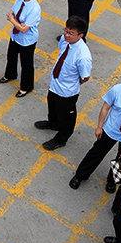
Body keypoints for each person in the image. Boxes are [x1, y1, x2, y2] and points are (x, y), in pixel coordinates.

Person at [70, 65, 121, 191]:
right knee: (96, 153)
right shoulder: (117, 90)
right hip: (112, 129)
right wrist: (99, 127)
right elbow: (105, 108)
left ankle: (112, 181)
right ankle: (80, 175)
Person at [34, 16, 93, 151]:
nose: (66, 35)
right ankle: (53, 123)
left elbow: (85, 77)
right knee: (52, 105)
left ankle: (61, 139)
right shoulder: (64, 40)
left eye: (71, 33)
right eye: (65, 31)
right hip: (55, 83)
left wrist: (72, 83)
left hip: (67, 91)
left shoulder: (83, 56)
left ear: (80, 35)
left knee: (67, 117)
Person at [0, 0, 43, 98]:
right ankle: (10, 75)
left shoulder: (34, 8)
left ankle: (26, 87)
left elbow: (24, 29)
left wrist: (14, 21)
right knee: (11, 56)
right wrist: (18, 23)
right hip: (15, 36)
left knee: (27, 64)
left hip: (27, 41)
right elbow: (13, 11)